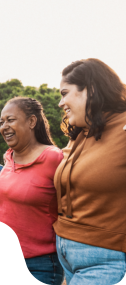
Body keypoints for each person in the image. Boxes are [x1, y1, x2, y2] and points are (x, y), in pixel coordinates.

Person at [54, 58, 126, 284]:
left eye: (65, 93)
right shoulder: (81, 133)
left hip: (106, 260)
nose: (60, 102)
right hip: (67, 256)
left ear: (91, 90)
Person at [0, 97, 64, 285]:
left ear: (31, 121)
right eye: (1, 122)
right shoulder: (8, 159)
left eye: (10, 120)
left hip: (39, 266)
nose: (4, 126)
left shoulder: (53, 158)